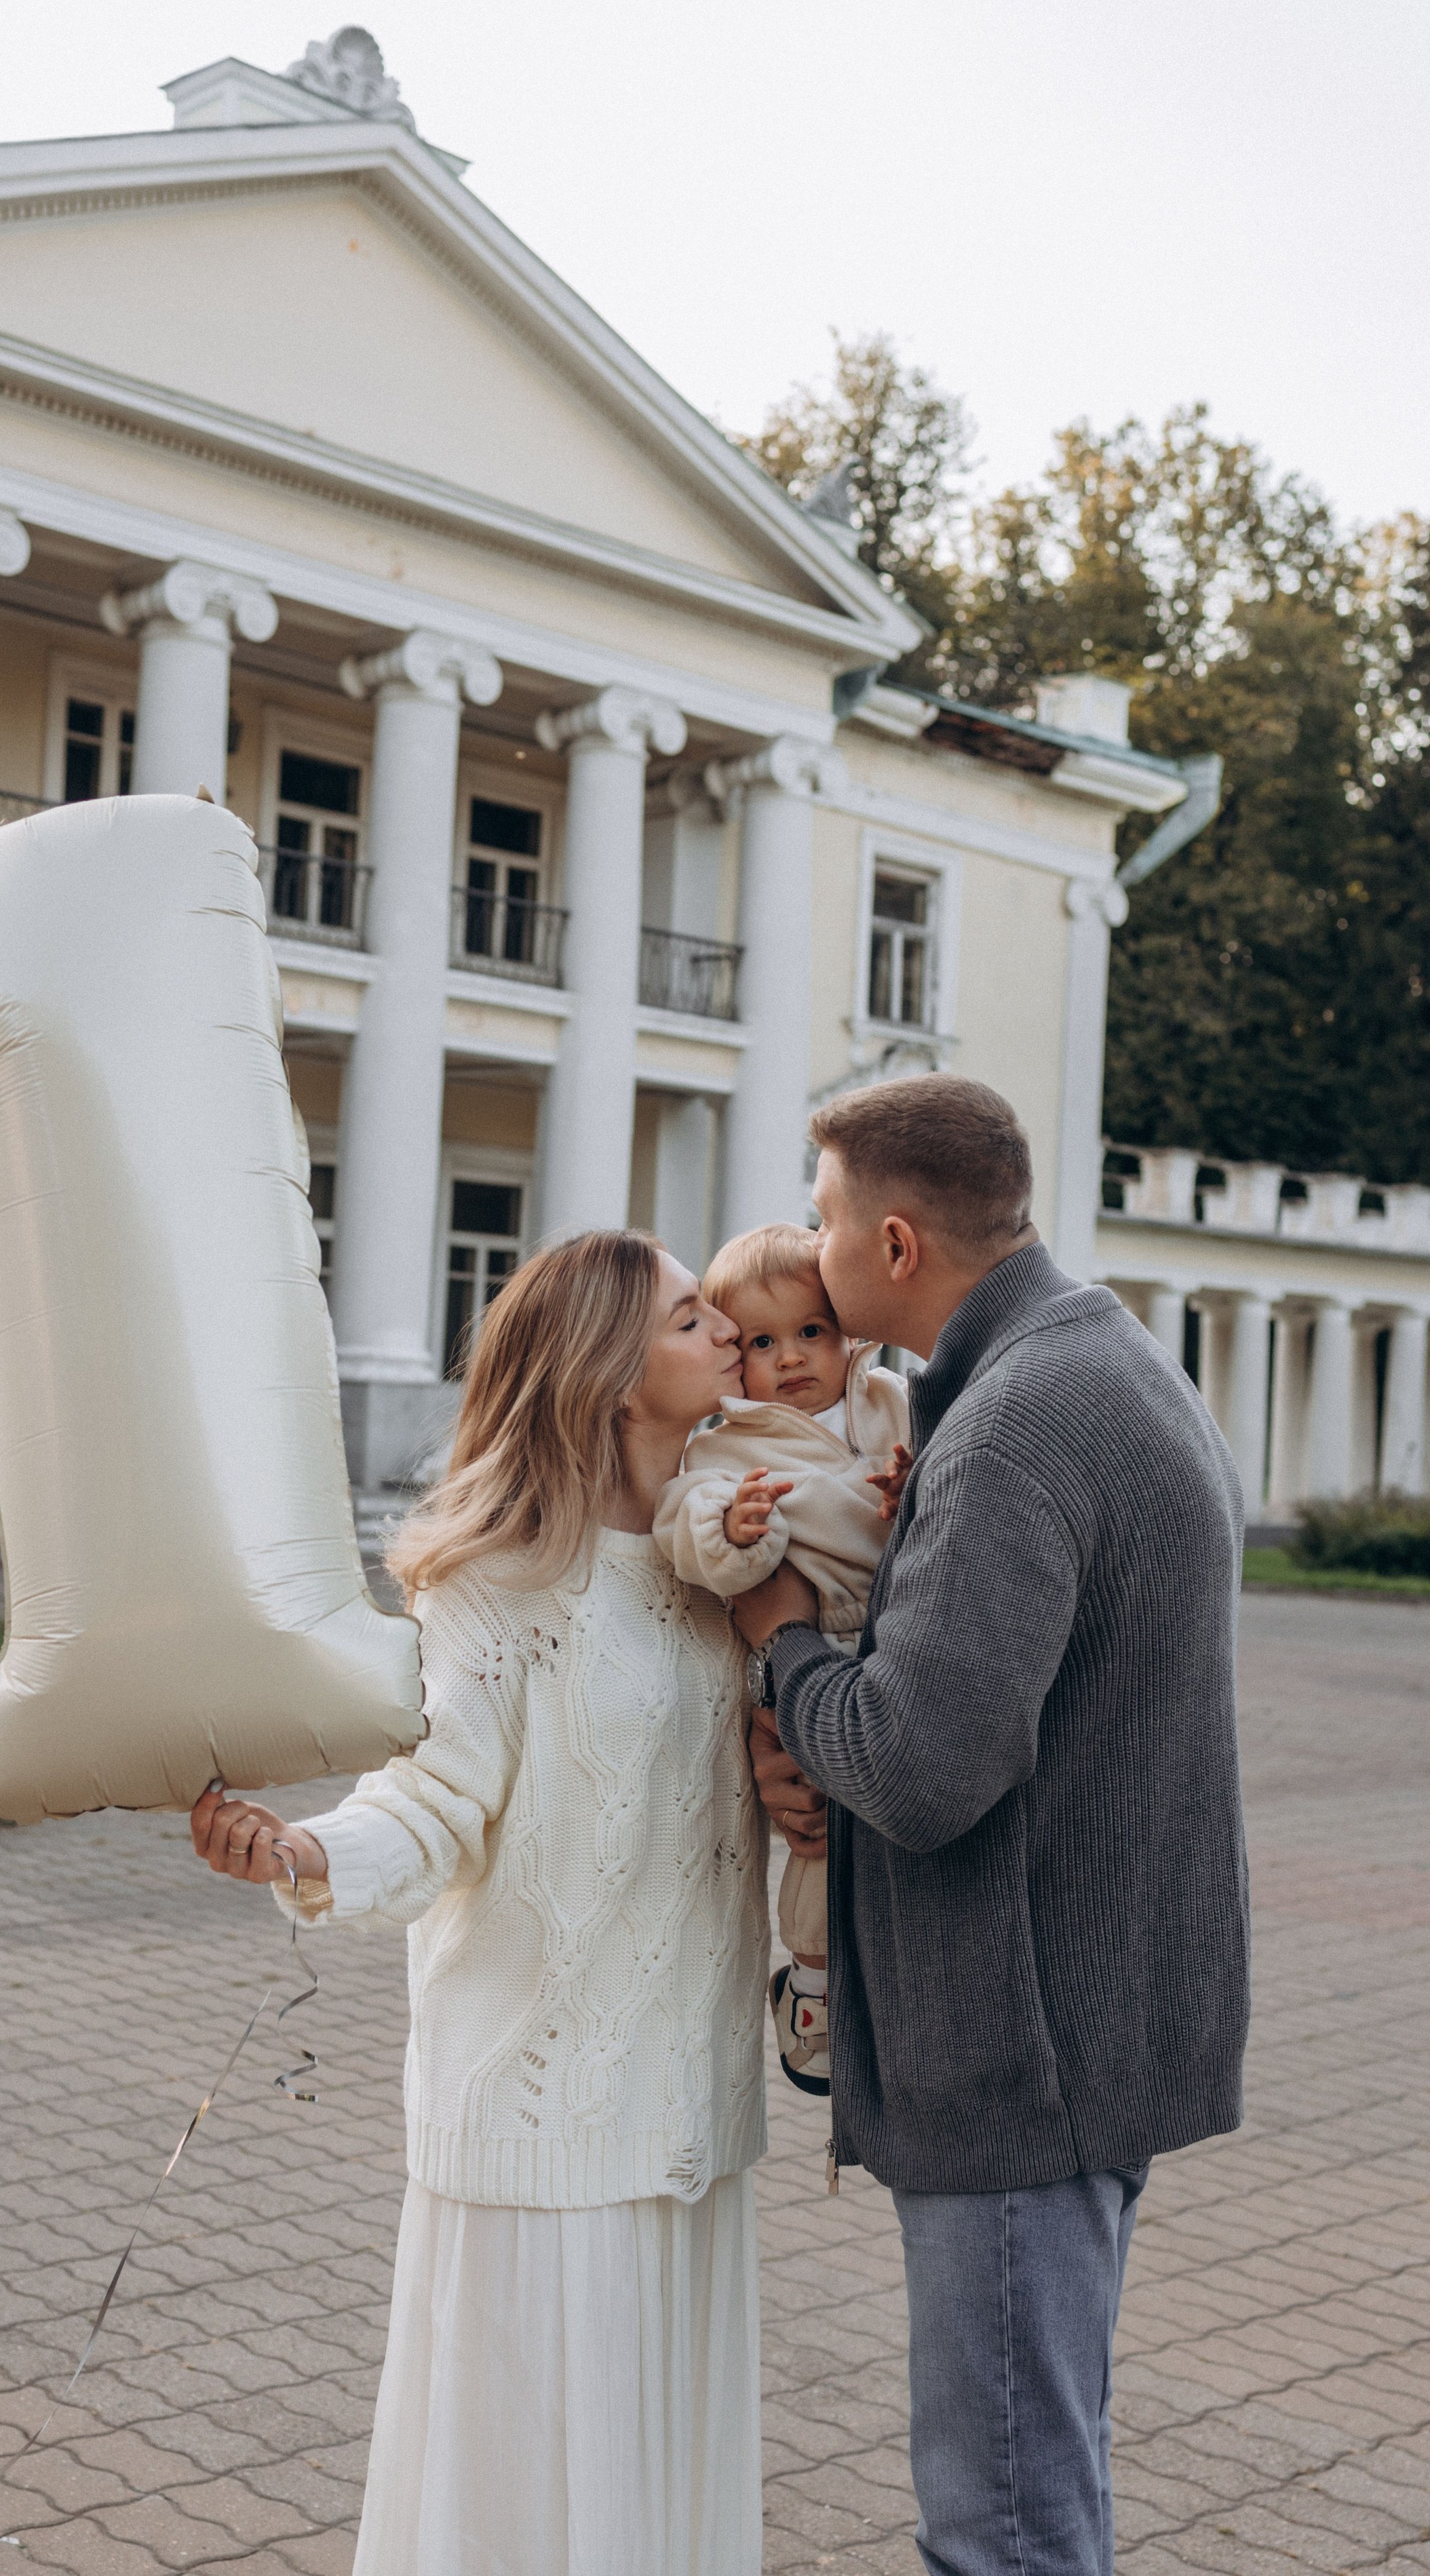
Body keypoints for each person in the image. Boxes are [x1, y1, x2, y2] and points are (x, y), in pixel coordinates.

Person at [191, 1230, 771, 2576]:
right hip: (543, 2116)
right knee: (532, 2509)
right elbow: (434, 1798)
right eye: (691, 1317)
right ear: (610, 1370)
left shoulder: (727, 1561)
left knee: (659, 2496)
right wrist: (305, 1853)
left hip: (692, 2108)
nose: (727, 1332)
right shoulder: (496, 1586)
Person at [732, 1073, 1250, 2576]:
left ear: (894, 1244)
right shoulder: (1099, 1359)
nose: (808, 1246)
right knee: (1039, 2481)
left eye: (823, 1219)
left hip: (1025, 2064)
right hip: (1094, 2026)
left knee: (1003, 2527)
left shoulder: (1015, 1422)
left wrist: (783, 1646)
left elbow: (914, 1765)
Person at [652, 1220, 910, 2096]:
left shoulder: (891, 1404)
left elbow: (952, 1481)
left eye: (812, 1331)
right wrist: (737, 1533)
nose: (792, 1357)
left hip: (899, 1637)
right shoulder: (729, 1446)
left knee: (901, 1828)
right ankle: (811, 1982)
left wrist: (913, 1486)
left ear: (851, 1336)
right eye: (762, 1343)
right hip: (814, 1642)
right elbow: (688, 1523)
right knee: (819, 1834)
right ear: (736, 1355)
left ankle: (885, 1976)